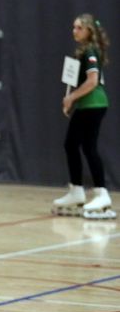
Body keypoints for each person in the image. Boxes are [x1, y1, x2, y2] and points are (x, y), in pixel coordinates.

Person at [52, 14, 113, 219]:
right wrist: (71, 99)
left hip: (94, 105)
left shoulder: (90, 52)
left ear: (88, 31)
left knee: (88, 147)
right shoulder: (82, 52)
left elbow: (92, 81)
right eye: (73, 27)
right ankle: (76, 191)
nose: (74, 31)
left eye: (79, 28)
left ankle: (101, 193)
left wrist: (71, 99)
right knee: (72, 144)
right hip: (87, 105)